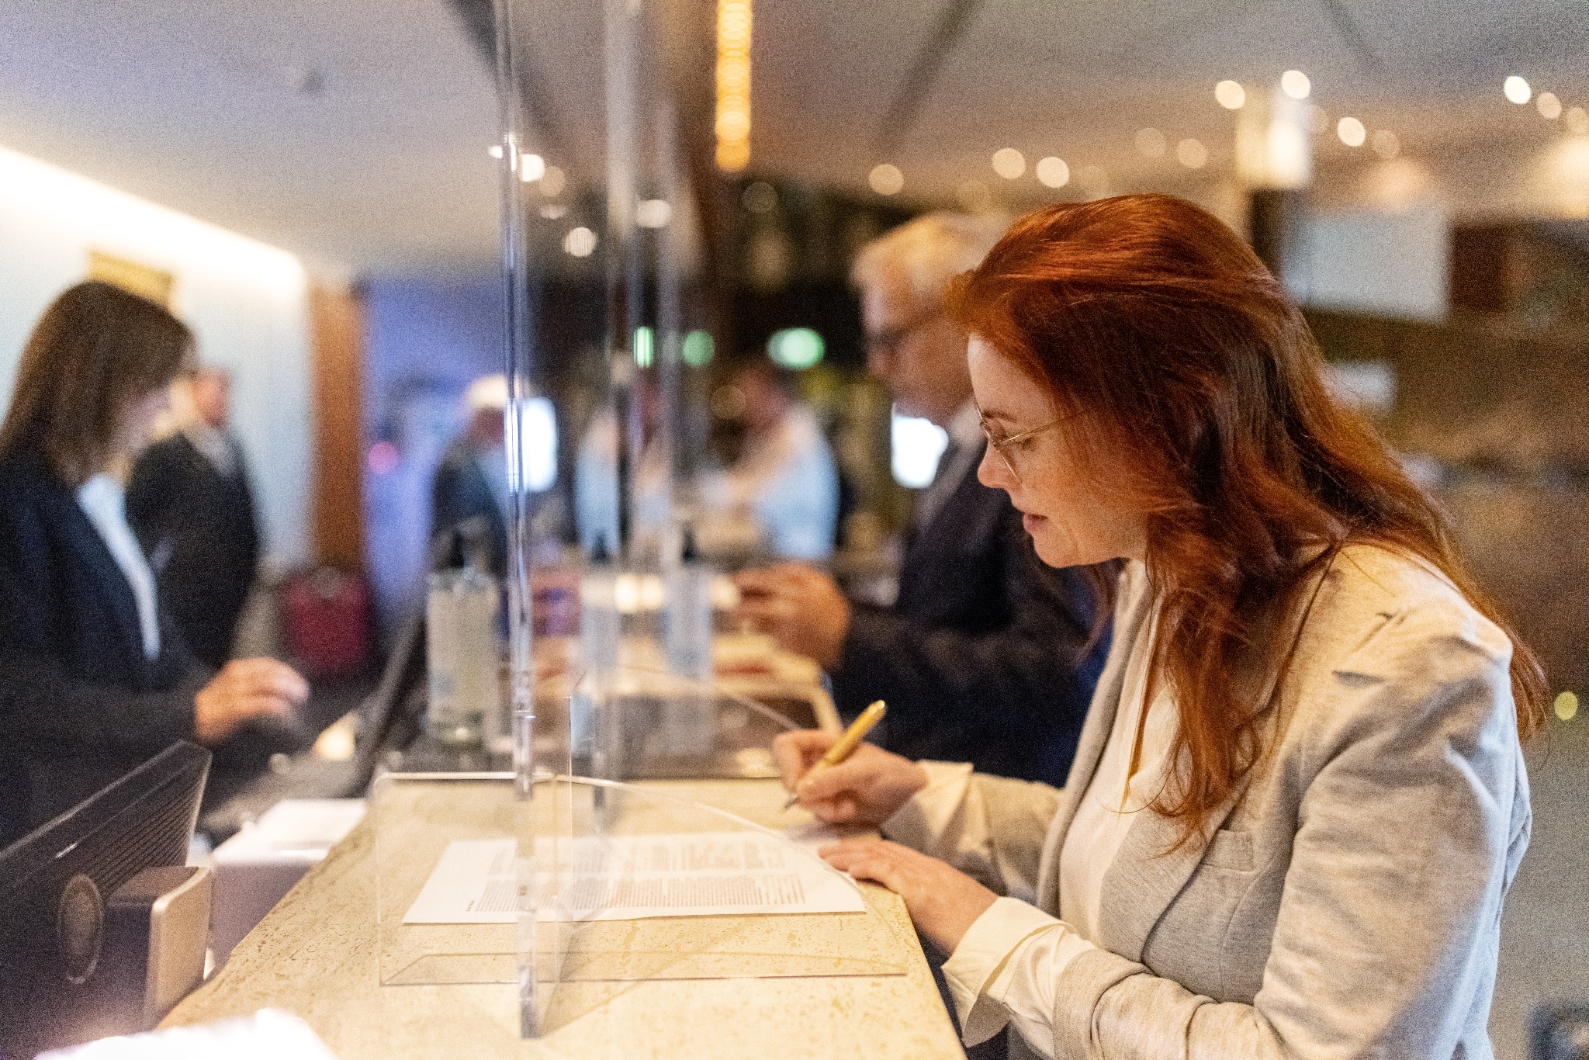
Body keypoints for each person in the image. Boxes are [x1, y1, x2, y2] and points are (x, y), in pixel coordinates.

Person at [774, 195, 1544, 1060]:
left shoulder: (1408, 665)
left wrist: (989, 930)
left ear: (1162, 421)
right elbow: (1136, 860)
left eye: (1014, 437)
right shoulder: (1166, 575)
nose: (991, 473)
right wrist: (923, 800)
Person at [736, 212, 1108, 785]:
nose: (876, 366)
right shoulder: (959, 450)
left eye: (891, 339)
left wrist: (851, 637)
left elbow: (1059, 672)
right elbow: (948, 618)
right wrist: (837, 615)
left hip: (999, 805)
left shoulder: (1025, 462)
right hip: (943, 790)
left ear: (967, 321)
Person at [0, 282, 309, 847]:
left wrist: (235, 696)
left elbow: (153, 663)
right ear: (97, 384)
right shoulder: (16, 499)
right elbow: (22, 699)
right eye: (155, 386)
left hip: (124, 809)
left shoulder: (93, 497)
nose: (167, 405)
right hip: (52, 832)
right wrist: (190, 713)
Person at [126, 365, 260, 669]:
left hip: (228, 589)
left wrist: (250, 568)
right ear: (194, 395)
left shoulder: (233, 449)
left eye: (225, 393)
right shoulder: (167, 453)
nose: (220, 400)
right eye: (212, 392)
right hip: (183, 593)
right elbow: (136, 515)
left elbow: (247, 514)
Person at [701, 358, 838, 561]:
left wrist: (712, 494)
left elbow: (763, 506)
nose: (745, 405)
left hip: (796, 569)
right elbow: (742, 482)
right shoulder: (769, 437)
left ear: (776, 394)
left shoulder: (799, 442)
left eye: (751, 394)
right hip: (772, 560)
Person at [431, 373, 510, 576]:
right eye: (498, 418)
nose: (504, 427)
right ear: (482, 418)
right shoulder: (458, 463)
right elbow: (464, 532)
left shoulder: (481, 457)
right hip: (468, 583)